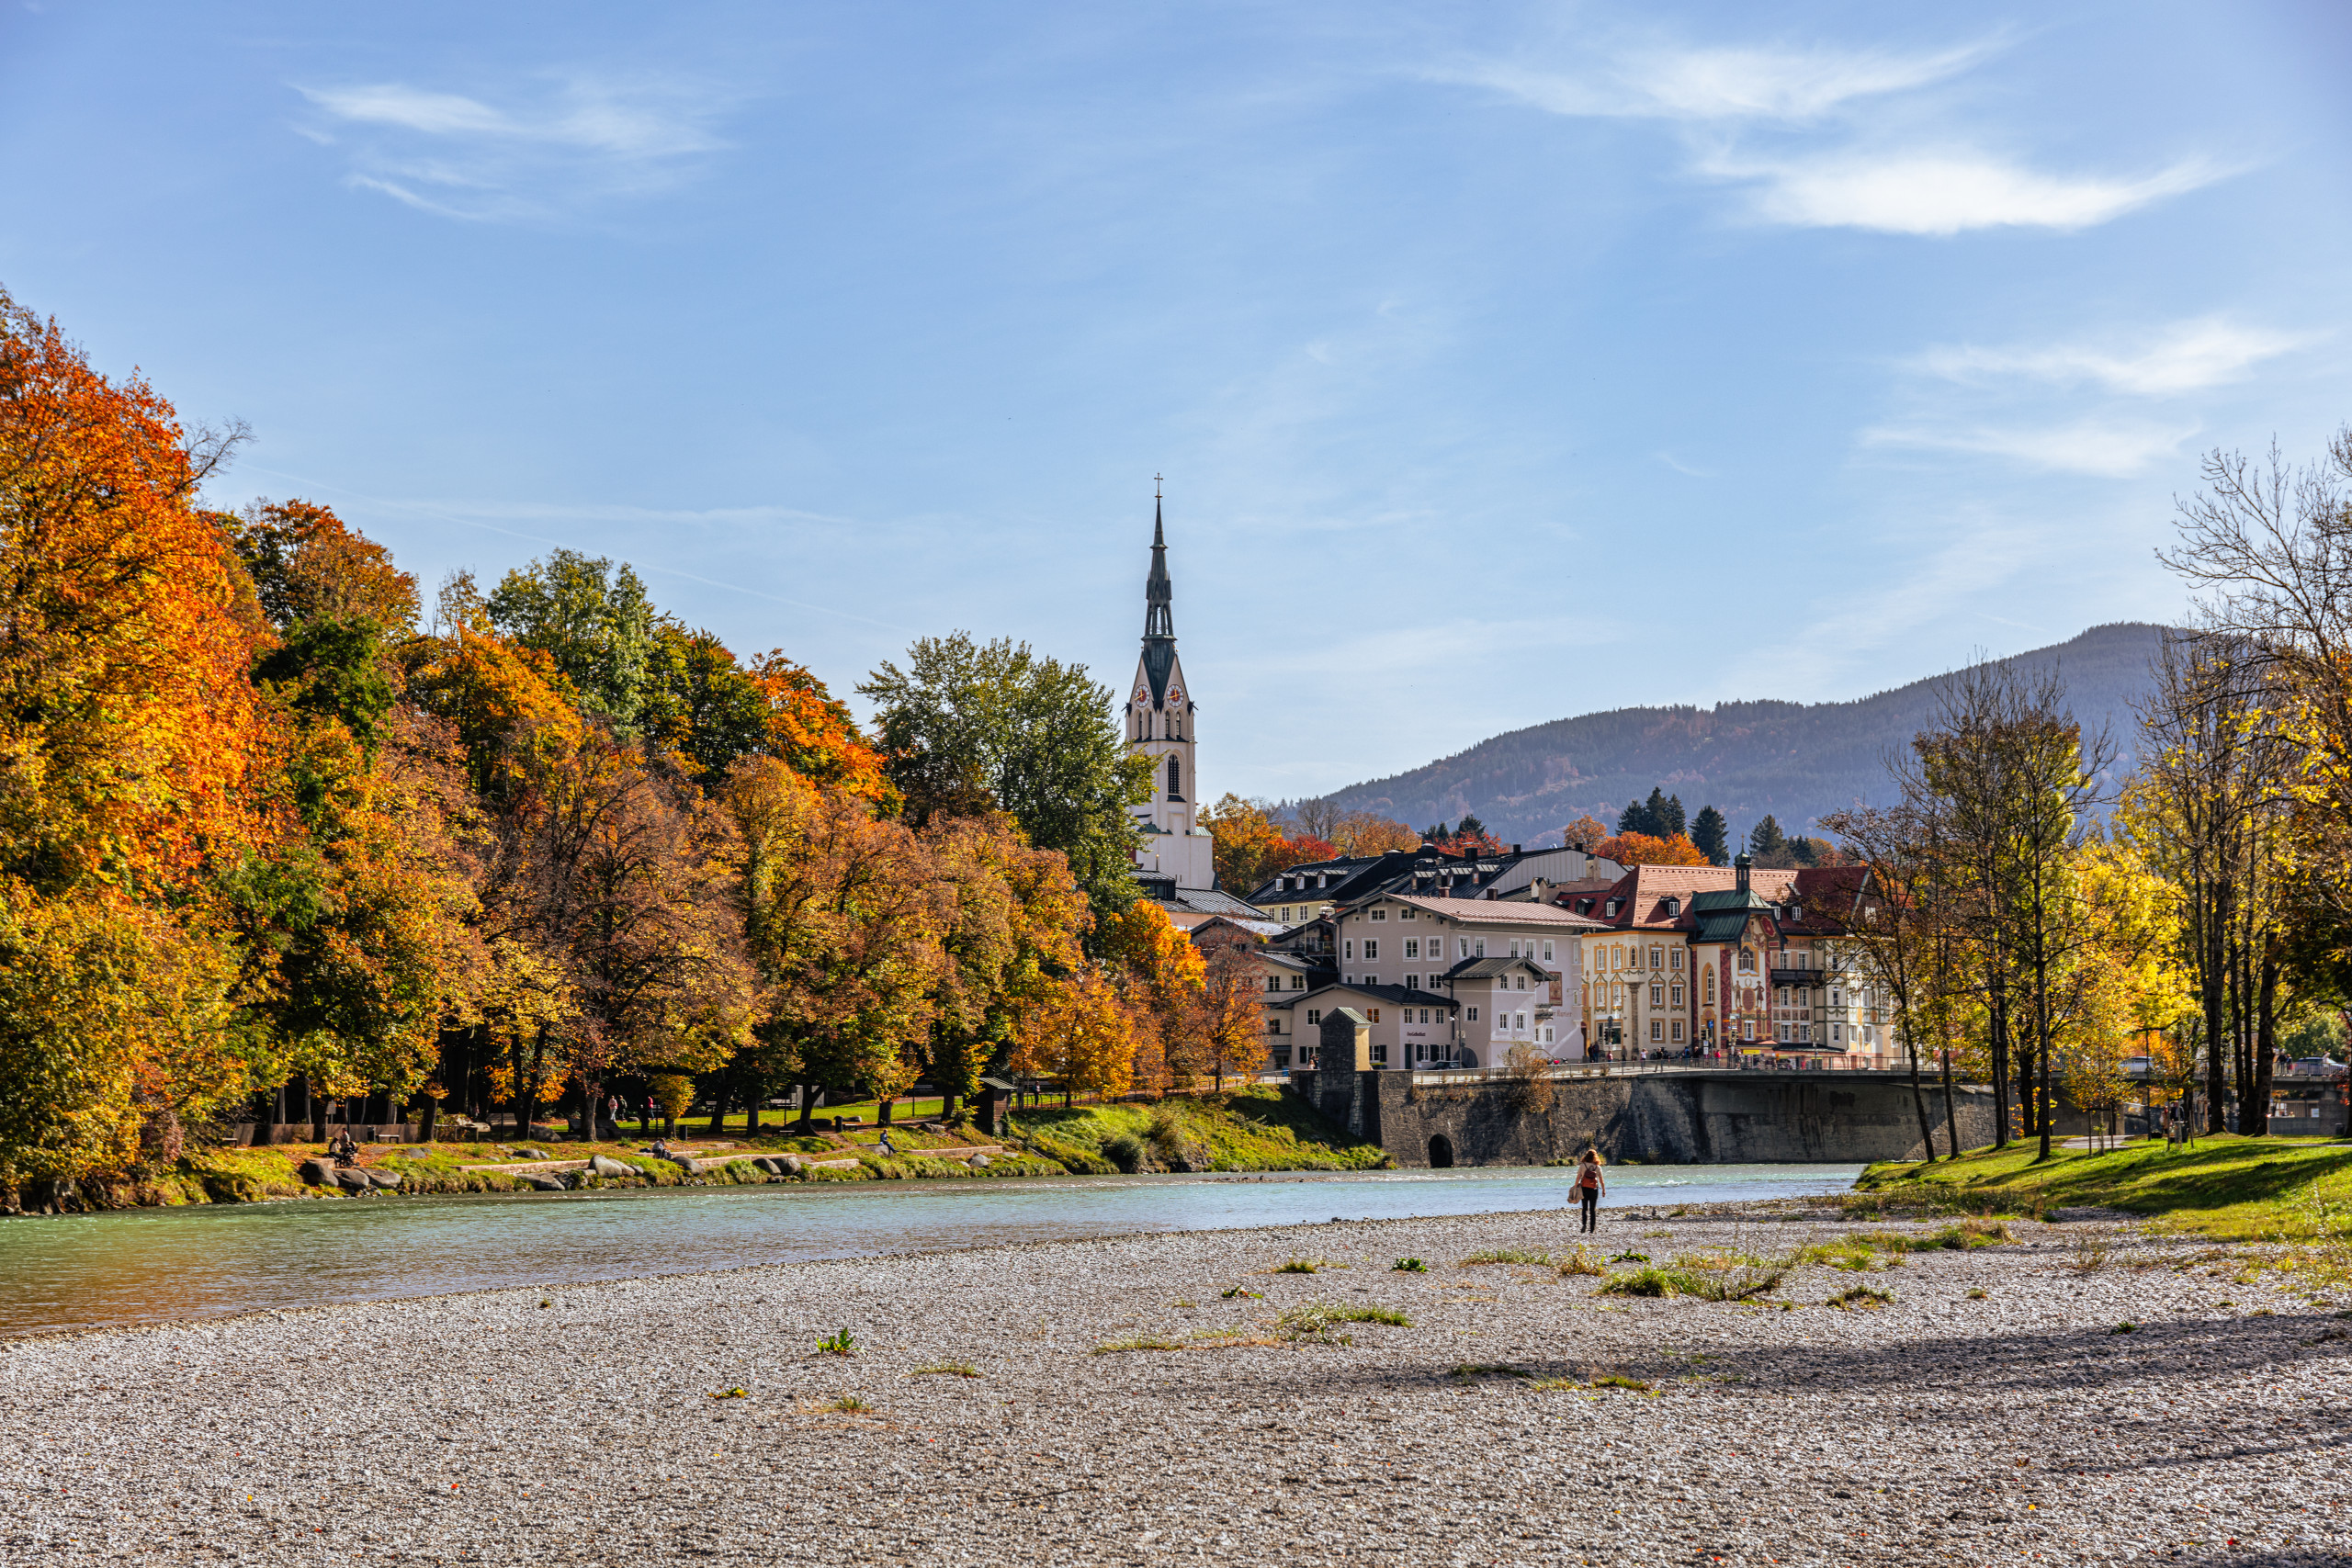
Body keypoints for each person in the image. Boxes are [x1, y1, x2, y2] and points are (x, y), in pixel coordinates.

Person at [1573, 1148, 1606, 1234]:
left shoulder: (1582, 1165)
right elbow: (1601, 1180)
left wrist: (1575, 1187)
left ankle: (1584, 1224)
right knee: (1593, 1210)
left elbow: (1578, 1177)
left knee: (1584, 1208)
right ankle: (1592, 1229)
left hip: (1584, 1189)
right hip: (1594, 1189)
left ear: (1586, 1156)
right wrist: (1603, 1190)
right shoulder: (1598, 1167)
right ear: (1595, 1157)